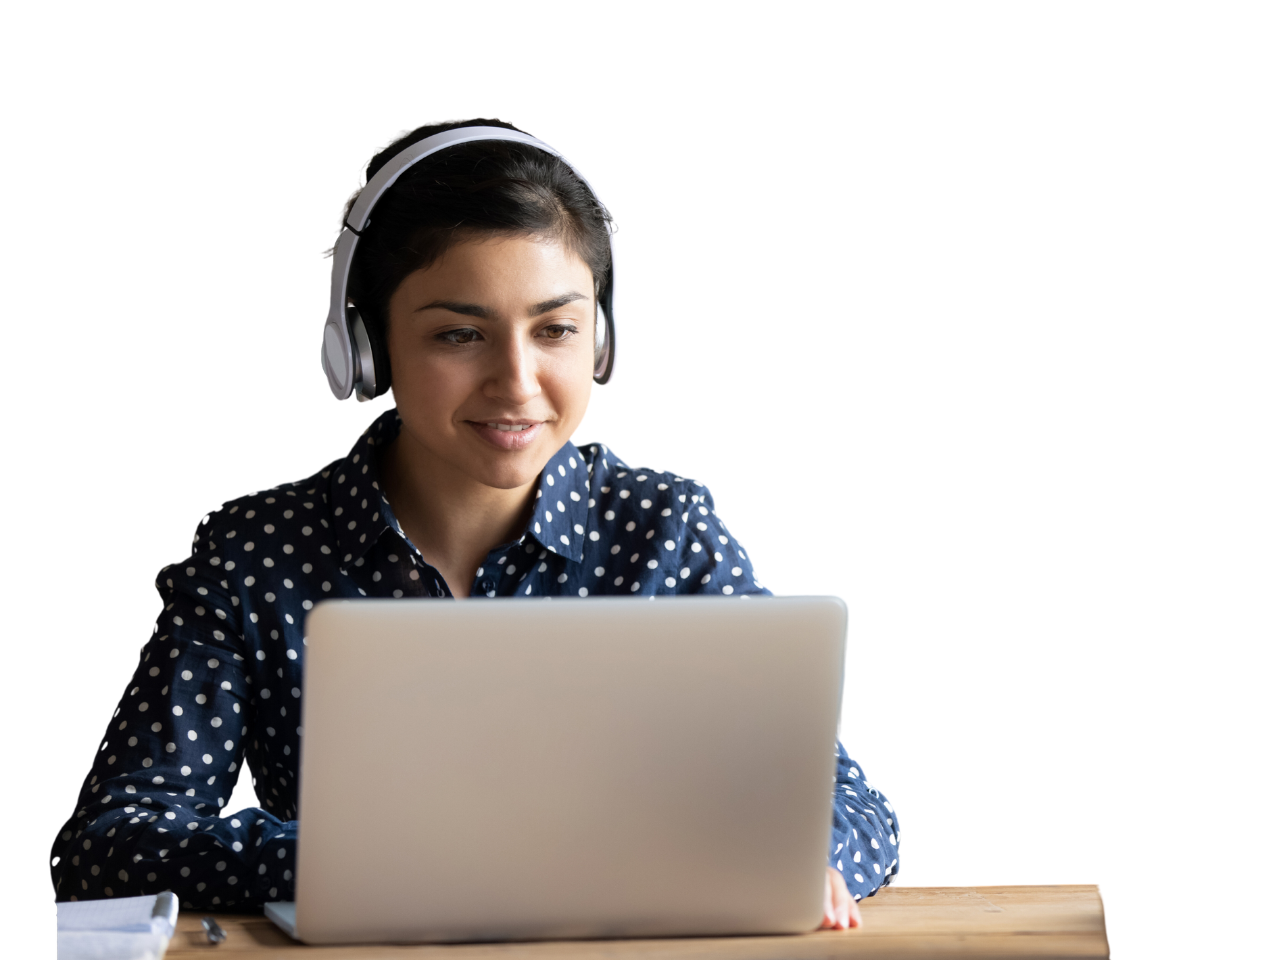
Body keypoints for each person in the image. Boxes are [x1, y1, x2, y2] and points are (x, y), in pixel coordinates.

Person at [48, 118, 901, 931]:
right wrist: (370, 862)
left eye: (557, 329)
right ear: (363, 346)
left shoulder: (665, 529)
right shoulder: (255, 552)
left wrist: (796, 855)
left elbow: (856, 807)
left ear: (601, 342)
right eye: (461, 333)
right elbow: (111, 843)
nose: (518, 382)